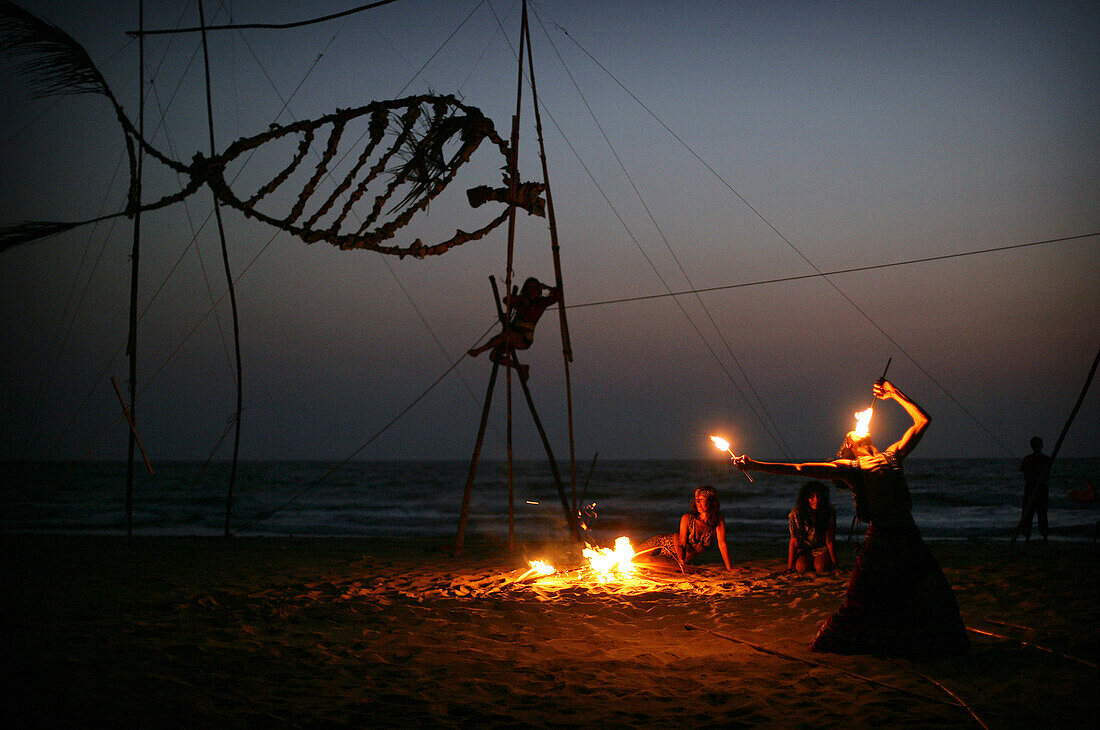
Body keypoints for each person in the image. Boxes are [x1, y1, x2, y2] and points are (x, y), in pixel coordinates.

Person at [733, 379, 969, 660]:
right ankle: (824, 647)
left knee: (935, 592)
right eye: (852, 433)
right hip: (880, 540)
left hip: (909, 536)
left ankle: (946, 647)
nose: (859, 428)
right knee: (858, 599)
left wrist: (895, 394)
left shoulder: (894, 455)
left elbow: (922, 421)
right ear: (850, 446)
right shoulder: (850, 468)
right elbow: (799, 469)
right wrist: (754, 464)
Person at [467, 276, 560, 380]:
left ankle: (479, 350)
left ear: (538, 289)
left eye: (534, 288)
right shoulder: (522, 302)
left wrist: (546, 286)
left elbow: (558, 295)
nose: (532, 290)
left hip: (524, 337)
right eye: (530, 288)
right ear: (526, 289)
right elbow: (506, 300)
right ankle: (521, 367)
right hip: (513, 334)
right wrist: (515, 299)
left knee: (506, 336)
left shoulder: (541, 302)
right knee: (494, 356)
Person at [636, 486, 734, 573]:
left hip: (675, 559)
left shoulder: (717, 519)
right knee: (632, 558)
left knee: (645, 562)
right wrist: (682, 561)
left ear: (711, 502)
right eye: (696, 500)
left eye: (702, 500)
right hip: (662, 544)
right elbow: (681, 542)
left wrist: (729, 567)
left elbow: (722, 543)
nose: (698, 503)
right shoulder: (687, 518)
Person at [787, 481, 837, 574]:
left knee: (820, 568)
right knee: (802, 568)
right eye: (812, 497)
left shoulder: (828, 512)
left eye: (819, 496)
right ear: (806, 498)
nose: (816, 500)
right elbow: (794, 541)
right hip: (804, 548)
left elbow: (830, 540)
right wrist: (789, 567)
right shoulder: (797, 513)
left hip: (822, 548)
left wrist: (835, 564)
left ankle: (823, 562)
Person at [1017, 436, 1050, 541]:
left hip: (1041, 490)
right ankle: (1027, 536)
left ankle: (1044, 535)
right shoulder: (1028, 459)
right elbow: (1025, 476)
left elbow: (1047, 475)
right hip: (1030, 489)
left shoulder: (1046, 459)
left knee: (1042, 514)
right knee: (1028, 514)